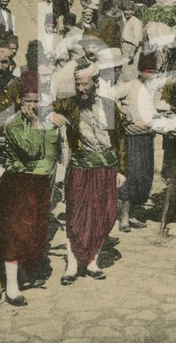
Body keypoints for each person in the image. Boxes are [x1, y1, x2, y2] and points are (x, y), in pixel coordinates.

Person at [0, 71, 65, 306]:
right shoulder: (13, 124)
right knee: (15, 233)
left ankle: (23, 274)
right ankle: (11, 288)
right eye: (28, 101)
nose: (32, 106)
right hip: (18, 183)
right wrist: (36, 123)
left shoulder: (47, 122)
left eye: (36, 101)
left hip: (40, 184)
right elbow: (31, 150)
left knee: (34, 232)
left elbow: (53, 154)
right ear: (19, 103)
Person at [53, 63, 126, 284]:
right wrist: (51, 116)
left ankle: (92, 261)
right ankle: (72, 264)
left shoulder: (109, 107)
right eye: (77, 84)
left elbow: (121, 139)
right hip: (80, 168)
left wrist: (122, 170)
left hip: (106, 168)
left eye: (85, 83)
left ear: (95, 83)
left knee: (104, 215)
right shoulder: (69, 104)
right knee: (76, 216)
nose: (81, 88)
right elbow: (37, 105)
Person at [114, 52, 159, 232]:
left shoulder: (153, 88)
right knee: (130, 176)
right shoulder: (130, 86)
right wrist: (123, 115)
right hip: (131, 138)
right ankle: (123, 217)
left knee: (144, 177)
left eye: (154, 72)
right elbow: (109, 98)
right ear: (140, 71)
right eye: (148, 71)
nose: (151, 75)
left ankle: (133, 214)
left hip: (147, 137)